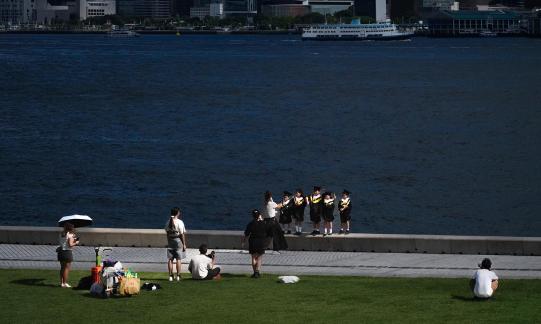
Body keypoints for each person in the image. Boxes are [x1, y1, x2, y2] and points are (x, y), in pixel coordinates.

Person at [242, 209, 272, 278]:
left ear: (252, 216)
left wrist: (243, 241)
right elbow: (268, 232)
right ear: (259, 215)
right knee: (259, 257)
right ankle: (257, 272)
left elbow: (246, 234)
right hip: (261, 242)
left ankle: (254, 272)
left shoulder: (251, 224)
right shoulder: (263, 223)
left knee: (253, 257)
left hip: (252, 241)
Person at [165, 207, 187, 281]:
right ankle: (178, 275)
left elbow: (167, 233)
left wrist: (168, 242)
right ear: (177, 213)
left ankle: (170, 276)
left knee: (170, 259)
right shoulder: (180, 222)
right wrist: (184, 244)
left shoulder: (168, 222)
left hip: (170, 241)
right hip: (178, 241)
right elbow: (182, 234)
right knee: (178, 259)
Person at [58, 222, 79, 288]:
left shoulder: (61, 234)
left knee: (62, 268)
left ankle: (61, 283)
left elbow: (64, 242)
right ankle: (65, 283)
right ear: (71, 228)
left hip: (61, 252)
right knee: (67, 268)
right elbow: (70, 245)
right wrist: (76, 242)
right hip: (67, 252)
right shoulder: (71, 235)